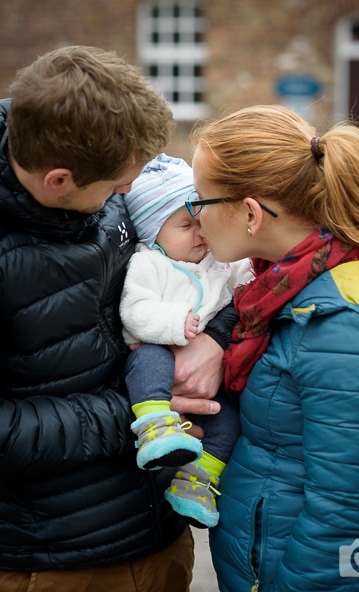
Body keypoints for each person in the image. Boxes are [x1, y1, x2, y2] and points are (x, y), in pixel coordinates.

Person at [0, 45, 233, 592]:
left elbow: (202, 280)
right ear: (58, 180)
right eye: (116, 187)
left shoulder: (101, 166)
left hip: (159, 534)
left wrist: (214, 341)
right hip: (54, 563)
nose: (130, 194)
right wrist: (131, 410)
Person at [188, 104, 359, 591]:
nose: (194, 219)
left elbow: (348, 522)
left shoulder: (339, 329)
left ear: (251, 213)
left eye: (200, 201)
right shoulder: (284, 288)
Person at [120, 153, 253, 528]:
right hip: (158, 349)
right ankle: (154, 424)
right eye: (185, 225)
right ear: (152, 231)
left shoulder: (217, 261)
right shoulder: (149, 264)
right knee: (148, 363)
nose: (200, 234)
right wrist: (174, 323)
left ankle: (198, 481)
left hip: (210, 374)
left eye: (201, 223)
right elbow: (135, 310)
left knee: (227, 420)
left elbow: (245, 283)